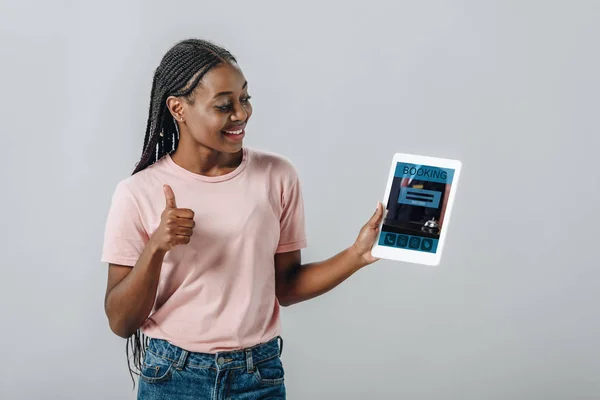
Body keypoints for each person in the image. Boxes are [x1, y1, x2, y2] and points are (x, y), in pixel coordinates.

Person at [101, 38, 384, 399]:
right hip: (173, 377)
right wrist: (157, 247)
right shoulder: (137, 192)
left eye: (245, 99)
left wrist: (356, 255)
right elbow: (121, 322)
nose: (241, 114)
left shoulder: (277, 176)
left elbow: (287, 286)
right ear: (178, 108)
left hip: (257, 376)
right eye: (224, 105)